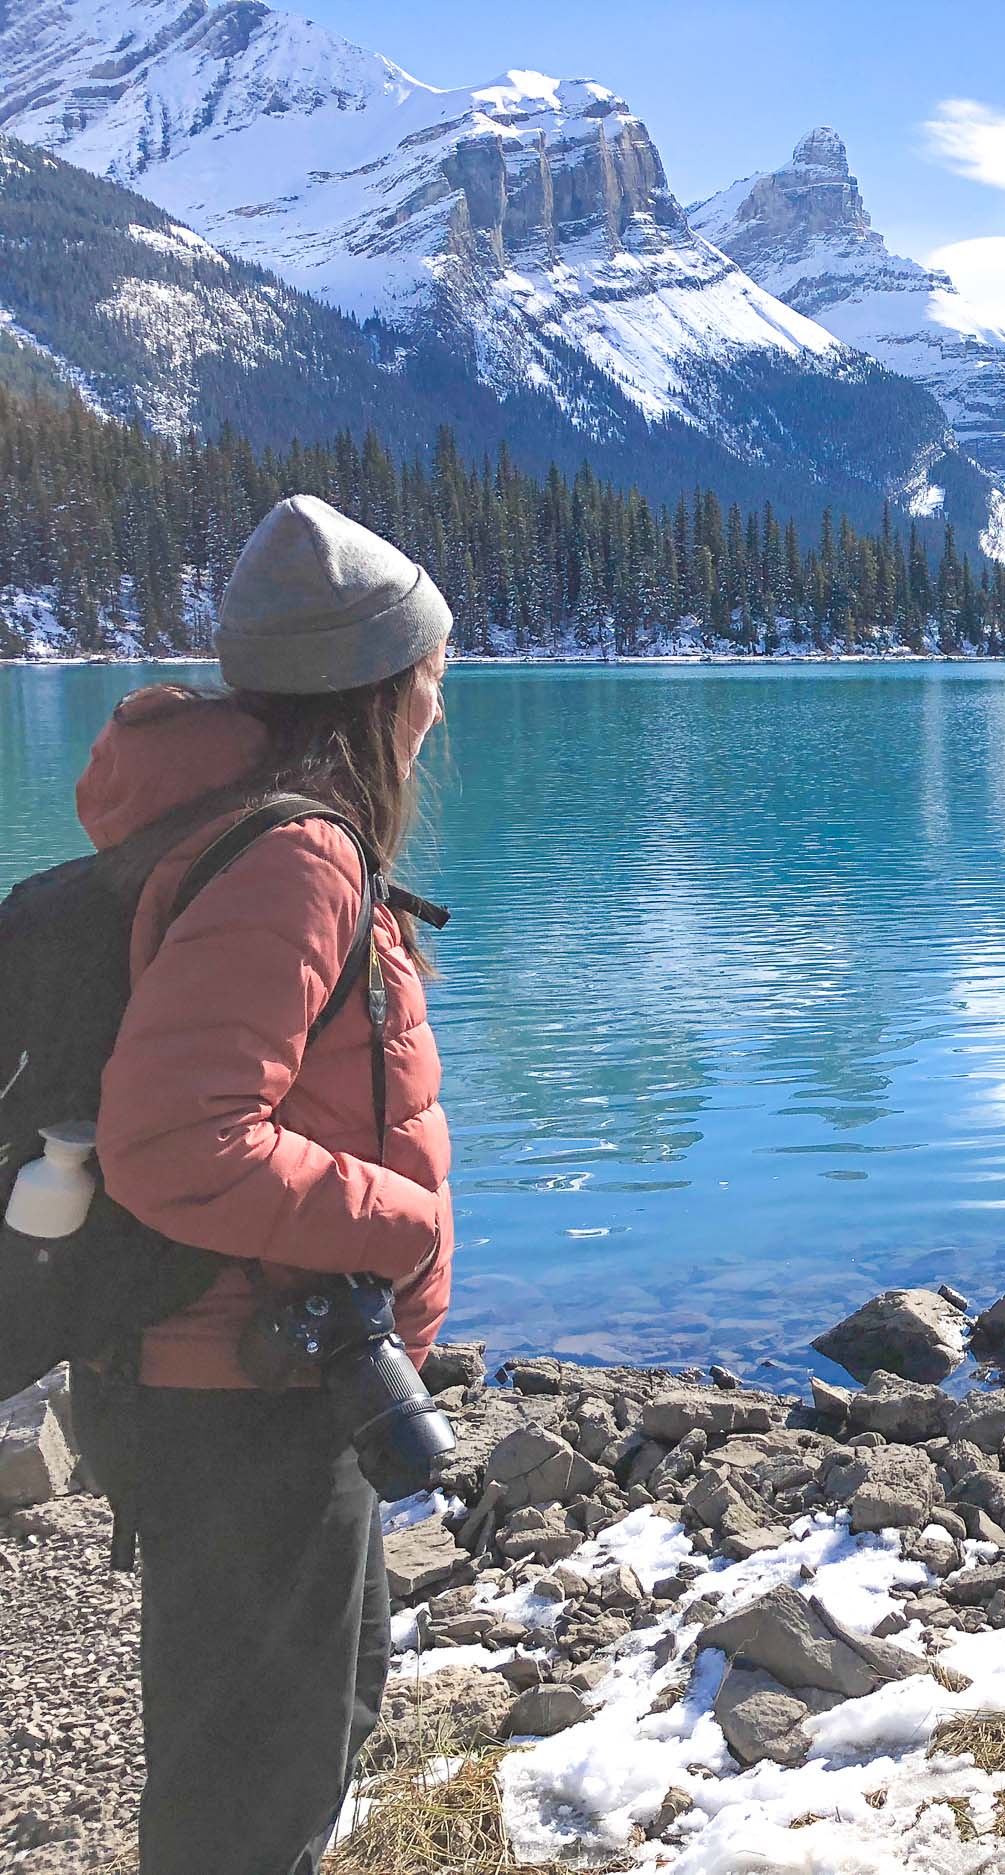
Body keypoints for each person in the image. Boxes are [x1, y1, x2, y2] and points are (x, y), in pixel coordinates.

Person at [68, 494, 456, 1875]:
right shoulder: (292, 857)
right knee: (245, 1805)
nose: (440, 702)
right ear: (377, 687)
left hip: (274, 1379)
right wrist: (406, 1226)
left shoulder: (254, 831)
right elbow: (178, 1137)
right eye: (431, 673)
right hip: (239, 1398)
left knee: (304, 1748)